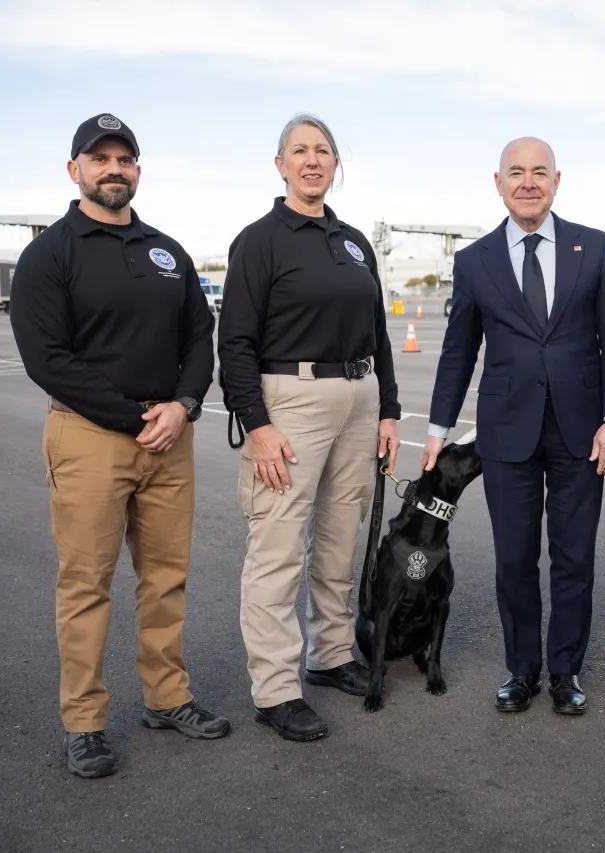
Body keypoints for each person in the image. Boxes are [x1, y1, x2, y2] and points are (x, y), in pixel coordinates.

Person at [12, 113, 229, 779]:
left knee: (167, 578)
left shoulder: (166, 251)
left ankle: (167, 696)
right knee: (87, 584)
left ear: (138, 169)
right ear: (74, 168)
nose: (113, 168)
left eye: (124, 158)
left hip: (169, 435)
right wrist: (135, 418)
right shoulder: (51, 253)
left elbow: (200, 336)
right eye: (99, 157)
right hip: (90, 436)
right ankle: (84, 720)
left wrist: (183, 406)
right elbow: (47, 358)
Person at [423, 137, 605, 715]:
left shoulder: (594, 248)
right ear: (498, 183)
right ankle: (522, 670)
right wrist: (438, 430)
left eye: (540, 172)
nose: (528, 182)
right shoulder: (475, 260)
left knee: (573, 558)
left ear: (557, 181)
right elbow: (458, 352)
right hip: (506, 431)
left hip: (581, 430)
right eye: (516, 172)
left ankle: (566, 672)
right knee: (514, 559)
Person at [217, 113, 401, 743]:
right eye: (300, 151)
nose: (313, 160)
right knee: (278, 545)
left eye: (324, 151)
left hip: (359, 394)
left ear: (336, 163)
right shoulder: (261, 240)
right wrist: (257, 424)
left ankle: (331, 655)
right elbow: (234, 341)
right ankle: (275, 688)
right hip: (290, 399)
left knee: (340, 536)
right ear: (280, 165)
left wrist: (390, 410)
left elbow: (378, 331)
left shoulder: (354, 242)